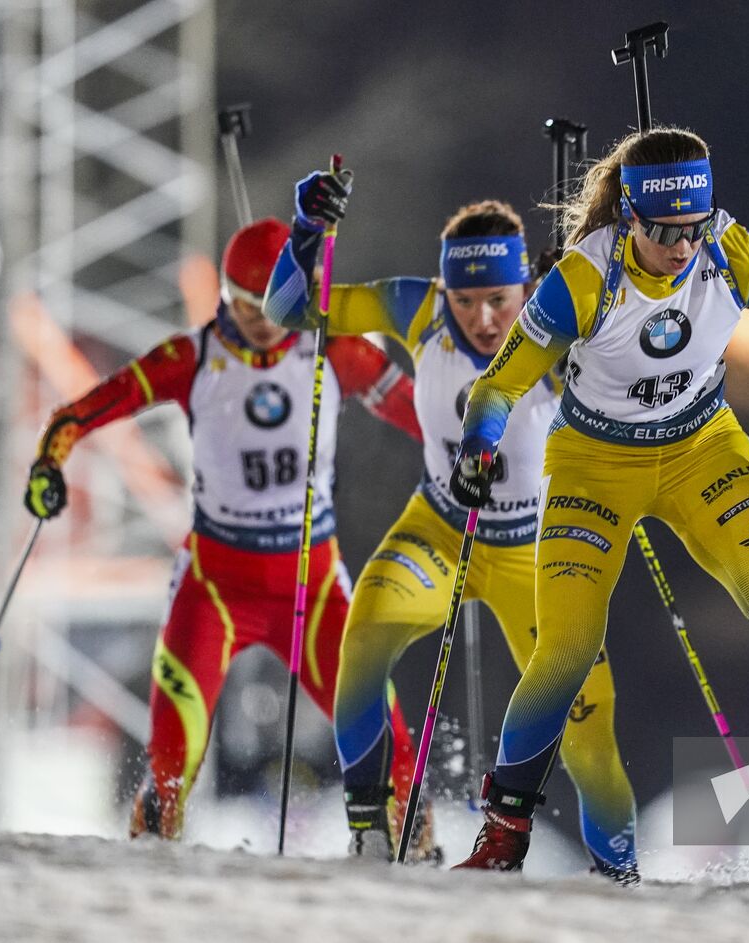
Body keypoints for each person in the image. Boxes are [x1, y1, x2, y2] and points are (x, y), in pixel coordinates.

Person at [447, 127, 749, 873]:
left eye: (694, 227)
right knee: (566, 651)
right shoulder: (585, 279)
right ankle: (502, 835)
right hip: (594, 464)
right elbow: (500, 384)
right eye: (663, 231)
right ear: (630, 216)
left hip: (701, 450)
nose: (683, 247)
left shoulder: (733, 248)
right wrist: (478, 451)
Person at [263, 174, 640, 880]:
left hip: (538, 551)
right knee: (365, 636)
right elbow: (289, 308)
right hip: (440, 528)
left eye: (498, 300)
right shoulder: (417, 307)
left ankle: (619, 873)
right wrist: (307, 232)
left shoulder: (561, 318)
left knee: (590, 732)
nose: (484, 319)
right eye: (465, 302)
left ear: (524, 287)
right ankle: (370, 825)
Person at [23, 218, 423, 841]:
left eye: (277, 309)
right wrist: (49, 462)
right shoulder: (193, 355)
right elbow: (84, 410)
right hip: (215, 584)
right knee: (170, 762)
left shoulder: (335, 349)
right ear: (226, 300)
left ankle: (407, 843)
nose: (265, 324)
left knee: (388, 742)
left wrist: (475, 453)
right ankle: (154, 863)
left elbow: (420, 412)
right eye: (247, 308)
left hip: (309, 585)